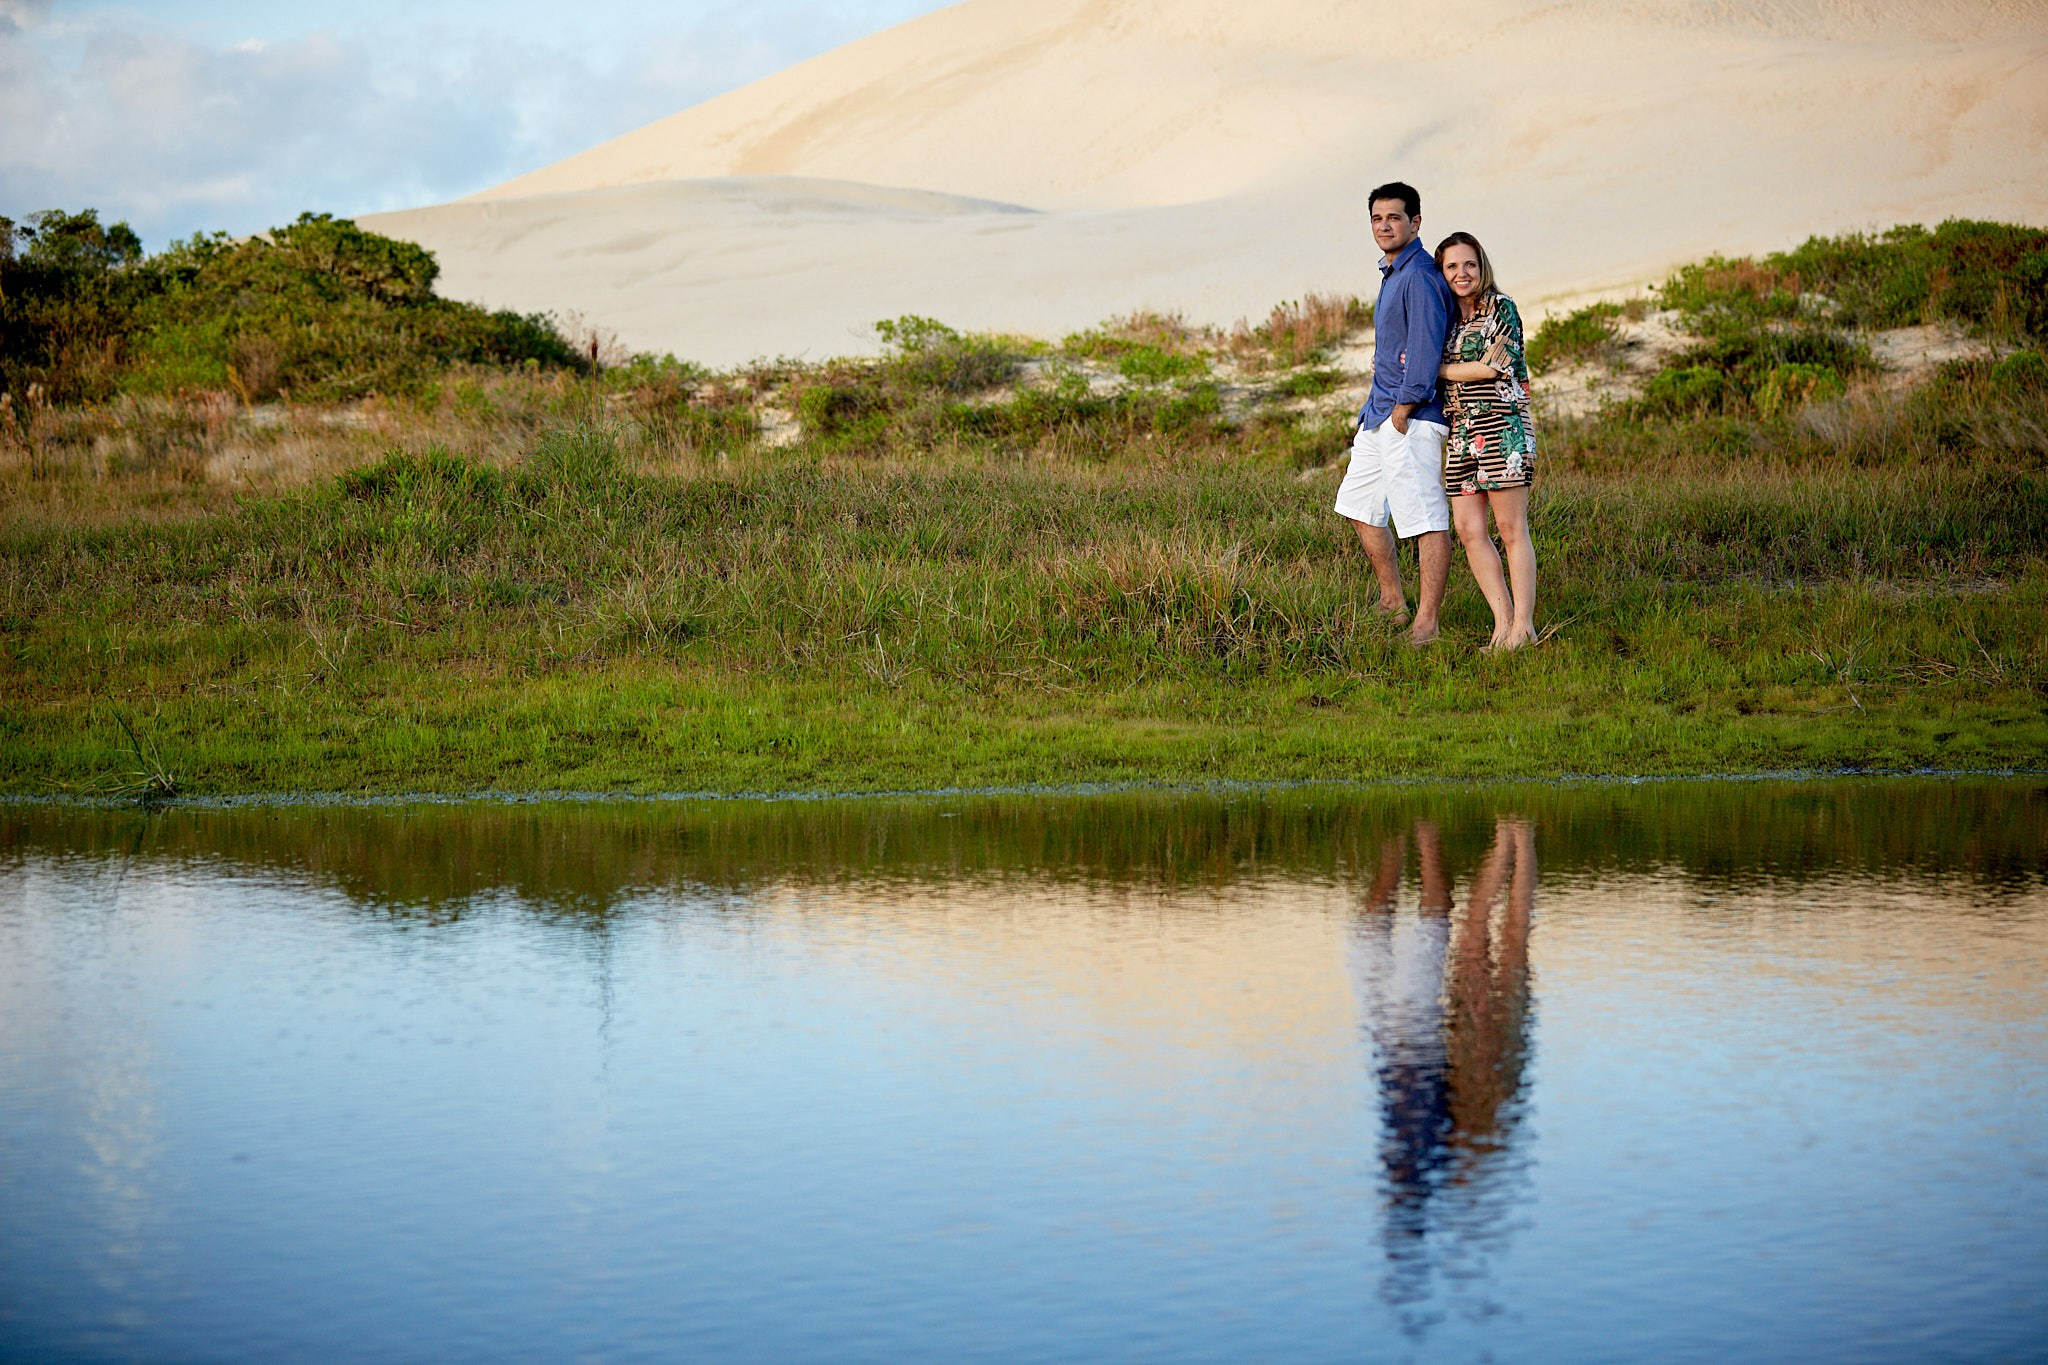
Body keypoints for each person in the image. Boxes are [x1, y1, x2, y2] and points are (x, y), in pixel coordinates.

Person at [1334, 182, 1457, 646]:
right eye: (1377, 218)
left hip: (1411, 415)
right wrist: (1377, 408)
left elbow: (1425, 348)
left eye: (1394, 218)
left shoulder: (1420, 275)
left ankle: (1427, 623)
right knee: (1358, 505)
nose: (1385, 226)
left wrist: (1404, 408)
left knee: (1424, 516)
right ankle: (1392, 601)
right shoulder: (1392, 273)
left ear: (1416, 223)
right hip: (1379, 412)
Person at [1434, 231, 1538, 651]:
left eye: (1470, 264)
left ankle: (1525, 628)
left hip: (1502, 426)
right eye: (1452, 266)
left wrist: (1436, 369)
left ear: (1482, 267)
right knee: (1468, 529)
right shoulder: (1445, 319)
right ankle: (1503, 623)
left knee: (1511, 528)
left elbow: (1492, 367)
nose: (1462, 273)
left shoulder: (1501, 307)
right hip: (1461, 433)